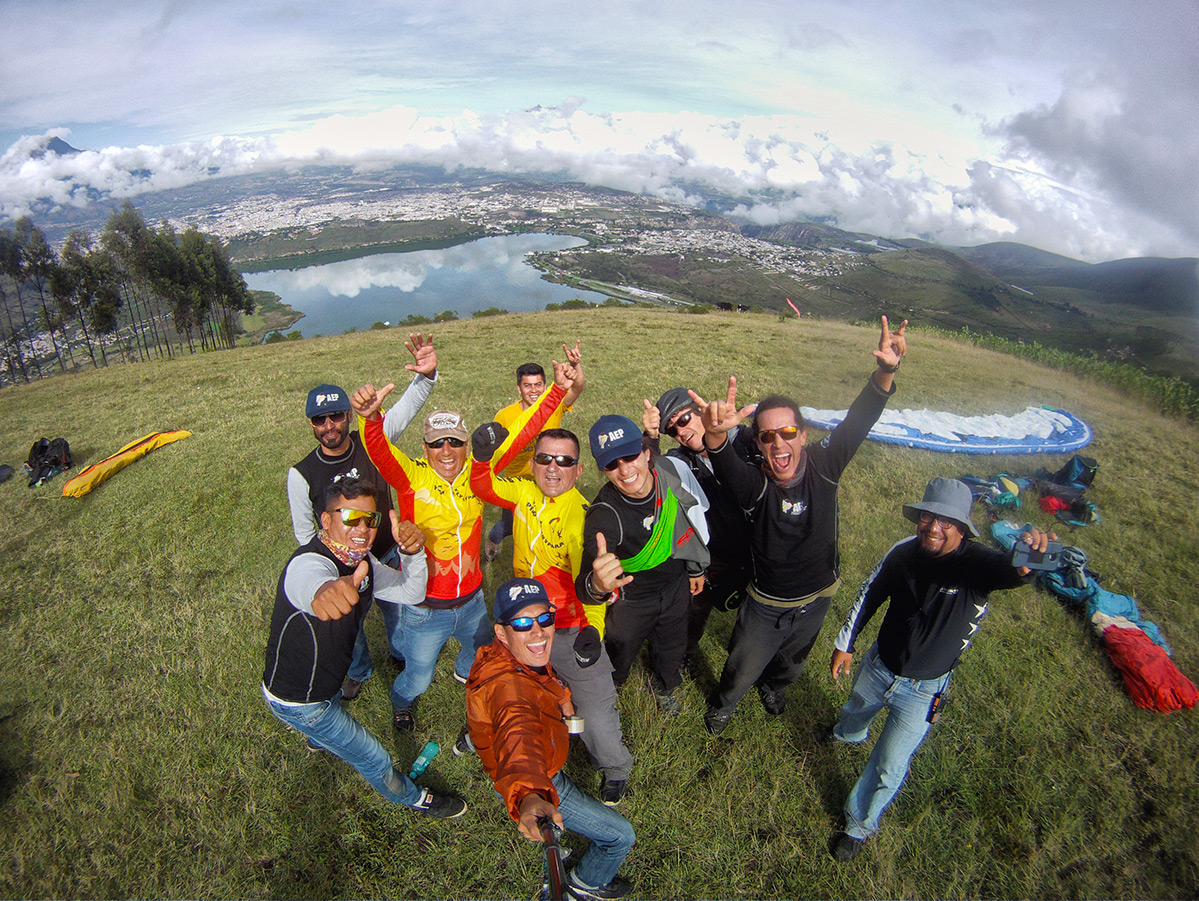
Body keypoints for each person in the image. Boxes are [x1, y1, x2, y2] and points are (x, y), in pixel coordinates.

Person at [693, 316, 907, 735]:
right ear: (758, 443)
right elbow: (727, 467)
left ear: (803, 435)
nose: (779, 443)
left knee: (792, 661)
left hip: (818, 596)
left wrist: (886, 370)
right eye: (767, 437)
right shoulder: (755, 485)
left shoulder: (826, 465)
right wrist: (716, 438)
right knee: (742, 663)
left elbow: (859, 420)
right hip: (765, 604)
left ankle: (775, 689)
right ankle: (725, 704)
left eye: (787, 432)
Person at [825, 478, 1056, 861]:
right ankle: (846, 734)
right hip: (879, 665)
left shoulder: (978, 565)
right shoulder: (904, 552)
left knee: (889, 764)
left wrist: (1029, 560)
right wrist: (845, 645)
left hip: (923, 692)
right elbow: (872, 592)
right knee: (855, 710)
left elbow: (1012, 571)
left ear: (963, 528)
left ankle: (858, 825)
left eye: (946, 521)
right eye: (928, 516)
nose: (934, 527)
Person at [356, 351, 580, 734]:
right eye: (437, 443)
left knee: (476, 657)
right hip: (425, 609)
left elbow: (524, 432)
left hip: (474, 601)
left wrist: (558, 390)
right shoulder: (411, 477)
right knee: (419, 678)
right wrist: (370, 419)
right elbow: (376, 449)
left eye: (455, 442)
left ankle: (465, 675)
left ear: (465, 444)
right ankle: (401, 701)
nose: (447, 451)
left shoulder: (478, 473)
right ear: (424, 448)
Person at [261, 476, 466, 819]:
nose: (362, 528)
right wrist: (322, 592)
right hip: (302, 702)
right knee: (375, 759)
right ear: (325, 521)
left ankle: (319, 739)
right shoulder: (309, 563)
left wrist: (412, 554)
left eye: (369, 520)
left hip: (327, 686)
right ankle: (414, 798)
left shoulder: (363, 562)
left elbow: (409, 593)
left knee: (333, 717)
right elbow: (306, 581)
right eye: (349, 517)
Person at [471, 404, 635, 805]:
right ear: (533, 463)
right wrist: (481, 455)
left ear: (579, 471)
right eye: (544, 458)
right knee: (499, 691)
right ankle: (491, 735)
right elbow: (483, 486)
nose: (552, 468)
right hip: (523, 625)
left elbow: (593, 587)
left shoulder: (584, 519)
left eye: (565, 461)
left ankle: (614, 768)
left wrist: (592, 633)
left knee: (596, 714)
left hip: (569, 629)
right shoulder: (524, 491)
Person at [286, 333, 439, 699]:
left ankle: (400, 654)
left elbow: (406, 407)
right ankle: (359, 670)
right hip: (339, 566)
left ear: (348, 415)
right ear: (311, 424)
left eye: (336, 416)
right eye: (319, 420)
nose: (329, 426)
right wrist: (328, 569)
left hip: (385, 553)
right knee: (347, 628)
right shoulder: (302, 473)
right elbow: (304, 533)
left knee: (396, 612)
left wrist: (427, 376)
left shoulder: (373, 440)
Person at [466, 577, 635, 900]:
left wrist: (564, 700)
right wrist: (530, 796)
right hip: (544, 779)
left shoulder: (510, 656)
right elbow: (519, 737)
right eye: (522, 623)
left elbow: (545, 681)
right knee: (620, 837)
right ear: (501, 632)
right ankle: (585, 883)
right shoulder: (509, 690)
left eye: (545, 618)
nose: (538, 631)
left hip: (544, 763)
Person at [576, 414, 710, 714]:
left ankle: (664, 686)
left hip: (675, 584)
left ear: (647, 452)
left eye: (630, 455)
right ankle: (615, 684)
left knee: (673, 643)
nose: (625, 470)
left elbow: (686, 520)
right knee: (620, 649)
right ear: (603, 471)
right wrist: (597, 586)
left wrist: (695, 567)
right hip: (632, 599)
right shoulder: (603, 515)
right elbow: (585, 586)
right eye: (612, 464)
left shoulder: (668, 473)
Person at [642, 387, 755, 675]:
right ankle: (688, 651)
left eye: (684, 419)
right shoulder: (682, 461)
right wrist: (652, 439)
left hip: (759, 546)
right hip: (715, 550)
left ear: (701, 411)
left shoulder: (744, 440)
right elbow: (651, 473)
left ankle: (752, 665)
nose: (680, 432)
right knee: (696, 605)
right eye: (672, 430)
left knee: (756, 616)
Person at [485, 347, 583, 561]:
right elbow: (495, 452)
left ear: (545, 385)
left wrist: (575, 367)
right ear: (519, 389)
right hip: (517, 483)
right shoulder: (505, 416)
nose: (533, 390)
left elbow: (577, 388)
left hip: (549, 477)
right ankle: (493, 539)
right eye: (527, 385)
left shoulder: (554, 404)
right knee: (510, 525)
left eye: (538, 384)